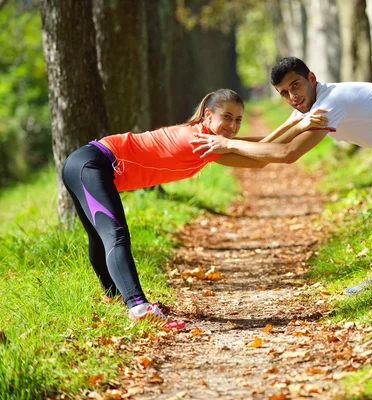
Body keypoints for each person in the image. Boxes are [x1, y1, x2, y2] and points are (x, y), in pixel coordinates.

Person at [190, 58, 372, 312]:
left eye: (295, 85)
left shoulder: (329, 104)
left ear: (311, 78)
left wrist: (228, 144)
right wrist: (212, 154)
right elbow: (265, 149)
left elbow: (287, 154)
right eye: (284, 93)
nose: (292, 96)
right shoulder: (305, 109)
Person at [62, 88, 329, 328]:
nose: (233, 126)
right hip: (92, 164)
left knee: (100, 238)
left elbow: (257, 156)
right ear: (208, 115)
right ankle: (138, 306)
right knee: (114, 235)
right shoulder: (197, 141)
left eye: (238, 120)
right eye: (227, 117)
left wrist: (296, 125)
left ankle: (117, 300)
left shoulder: (209, 143)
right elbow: (260, 150)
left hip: (86, 165)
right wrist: (298, 125)